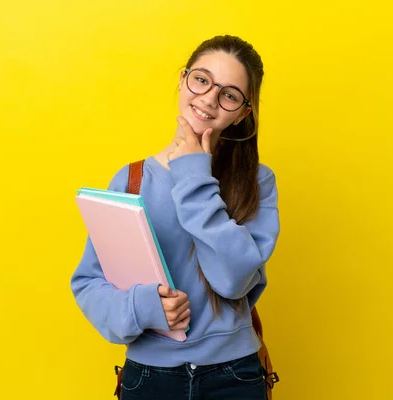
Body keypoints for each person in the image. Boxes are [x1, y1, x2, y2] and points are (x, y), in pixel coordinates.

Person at [71, 34, 280, 400]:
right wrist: (145, 307)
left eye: (229, 95)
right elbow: (89, 284)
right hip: (149, 378)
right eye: (201, 80)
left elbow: (232, 281)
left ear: (242, 113)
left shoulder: (257, 182)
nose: (209, 100)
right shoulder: (131, 180)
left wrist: (194, 175)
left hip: (235, 377)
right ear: (183, 79)